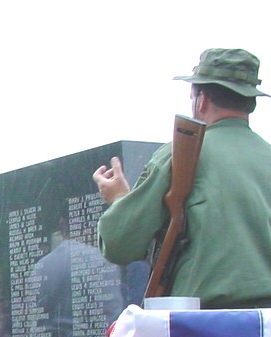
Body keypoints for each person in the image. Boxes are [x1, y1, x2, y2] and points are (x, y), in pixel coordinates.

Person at [93, 48, 271, 309]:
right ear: (250, 102)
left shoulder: (181, 155)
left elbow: (120, 245)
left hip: (207, 328)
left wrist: (120, 198)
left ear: (201, 99)